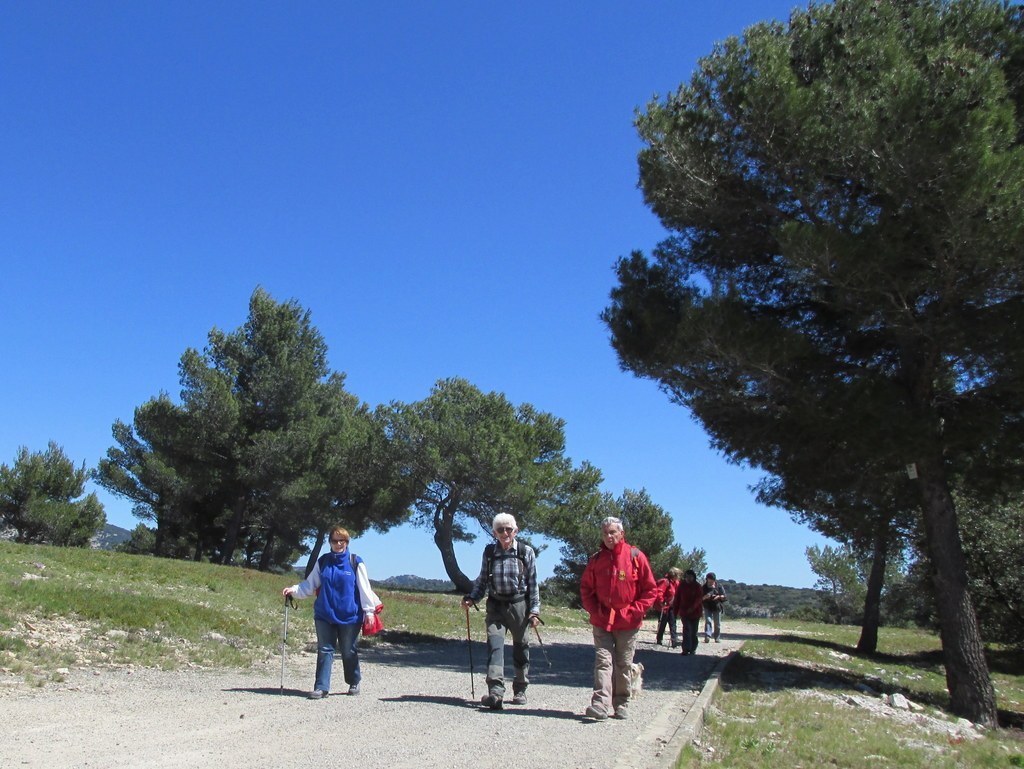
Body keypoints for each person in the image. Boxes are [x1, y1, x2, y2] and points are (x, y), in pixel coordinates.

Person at [281, 526, 382, 699]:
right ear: (330, 542)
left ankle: (353, 681)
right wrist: (294, 590)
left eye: (341, 540)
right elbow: (310, 584)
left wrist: (369, 612)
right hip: (324, 614)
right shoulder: (323, 561)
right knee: (325, 649)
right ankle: (321, 687)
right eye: (334, 540)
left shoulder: (355, 562)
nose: (338, 544)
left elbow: (365, 588)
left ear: (347, 542)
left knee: (348, 650)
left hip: (350, 615)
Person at [579, 516, 658, 721]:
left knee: (623, 663)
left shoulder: (635, 556)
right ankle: (600, 704)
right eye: (605, 533)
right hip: (602, 620)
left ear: (621, 534)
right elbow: (586, 588)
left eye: (612, 532)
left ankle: (622, 702)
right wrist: (594, 611)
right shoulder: (596, 560)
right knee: (603, 662)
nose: (609, 536)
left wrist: (634, 611)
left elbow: (651, 590)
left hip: (628, 622)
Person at [462, 513, 541, 710]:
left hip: (519, 605)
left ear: (516, 531)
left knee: (521, 647)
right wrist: (472, 597)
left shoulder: (525, 551)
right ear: (494, 532)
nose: (504, 533)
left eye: (508, 529)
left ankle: (520, 688)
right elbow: (482, 580)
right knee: (494, 645)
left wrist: (534, 611)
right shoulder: (489, 553)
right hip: (495, 605)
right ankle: (495, 692)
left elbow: (533, 583)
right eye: (500, 530)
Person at [673, 568, 704, 655]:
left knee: (693, 632)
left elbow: (698, 600)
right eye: (687, 577)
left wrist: (692, 608)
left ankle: (693, 648)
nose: (688, 578)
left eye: (690, 577)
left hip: (695, 613)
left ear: (694, 577)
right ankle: (685, 649)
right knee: (686, 630)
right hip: (684, 612)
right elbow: (677, 599)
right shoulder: (682, 586)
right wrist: (675, 612)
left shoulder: (697, 586)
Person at [654, 567, 682, 647]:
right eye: (678, 575)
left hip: (672, 606)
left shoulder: (675, 582)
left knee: (673, 623)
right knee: (663, 623)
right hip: (664, 607)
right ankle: (659, 639)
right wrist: (662, 602)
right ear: (674, 575)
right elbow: (659, 592)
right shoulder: (665, 582)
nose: (679, 576)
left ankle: (674, 640)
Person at [702, 572, 727, 643]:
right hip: (707, 606)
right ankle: (707, 636)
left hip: (717, 606)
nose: (712, 581)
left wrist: (718, 596)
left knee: (717, 623)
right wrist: (705, 597)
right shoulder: (704, 587)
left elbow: (724, 596)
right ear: (707, 579)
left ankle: (717, 637)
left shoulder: (719, 586)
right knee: (708, 620)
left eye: (713, 579)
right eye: (710, 579)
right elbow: (700, 598)